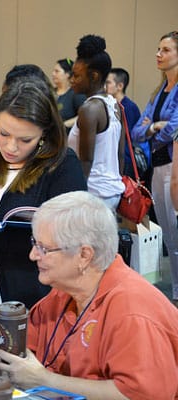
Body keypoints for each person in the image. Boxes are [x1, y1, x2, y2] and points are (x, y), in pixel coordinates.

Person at [0, 191, 178, 400]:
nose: (33, 255)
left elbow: (137, 396)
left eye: (43, 248)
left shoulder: (132, 312)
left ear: (84, 255)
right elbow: (17, 352)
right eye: (35, 243)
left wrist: (45, 380)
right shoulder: (62, 294)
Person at [0, 77, 86, 342]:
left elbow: (70, 242)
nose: (11, 147)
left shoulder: (62, 166)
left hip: (34, 295)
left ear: (44, 133)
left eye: (25, 139)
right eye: (3, 134)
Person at [133, 31, 178, 307]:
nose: (158, 54)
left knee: (176, 227)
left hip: (175, 166)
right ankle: (175, 290)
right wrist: (153, 127)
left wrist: (157, 129)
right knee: (168, 233)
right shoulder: (158, 91)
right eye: (158, 49)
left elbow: (172, 130)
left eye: (166, 50)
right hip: (158, 167)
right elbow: (138, 131)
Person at [68, 34, 124, 209]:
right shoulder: (113, 104)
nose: (72, 80)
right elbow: (120, 155)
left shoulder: (89, 109)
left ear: (94, 76)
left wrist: (78, 198)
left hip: (94, 194)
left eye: (76, 76)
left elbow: (85, 161)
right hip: (113, 191)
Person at [105, 67, 147, 180]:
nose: (105, 86)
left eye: (108, 82)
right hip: (115, 157)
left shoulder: (128, 107)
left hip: (126, 159)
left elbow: (126, 135)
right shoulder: (111, 105)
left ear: (120, 86)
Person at [52, 58, 86, 131]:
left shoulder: (76, 94)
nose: (53, 74)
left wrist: (64, 125)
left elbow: (84, 116)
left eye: (57, 71)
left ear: (67, 74)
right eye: (53, 71)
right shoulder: (50, 92)